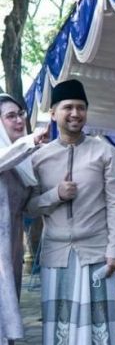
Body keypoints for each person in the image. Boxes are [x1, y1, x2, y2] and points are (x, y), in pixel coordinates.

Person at [27, 79, 115, 345]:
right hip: (56, 256)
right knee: (61, 327)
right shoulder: (39, 157)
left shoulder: (103, 152)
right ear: (53, 113)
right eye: (68, 107)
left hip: (97, 253)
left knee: (99, 326)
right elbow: (30, 207)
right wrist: (56, 194)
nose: (75, 113)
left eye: (81, 107)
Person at [0, 93, 49, 344]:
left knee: (8, 312)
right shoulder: (12, 153)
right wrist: (31, 141)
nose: (19, 120)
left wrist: (57, 195)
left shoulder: (26, 160)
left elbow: (31, 208)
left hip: (11, 250)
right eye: (11, 116)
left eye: (21, 114)